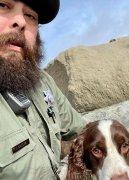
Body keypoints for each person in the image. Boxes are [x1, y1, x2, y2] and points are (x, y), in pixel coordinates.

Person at [0, 0, 86, 179]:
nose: (21, 22)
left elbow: (82, 131)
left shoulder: (42, 82)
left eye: (30, 16)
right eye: (3, 5)